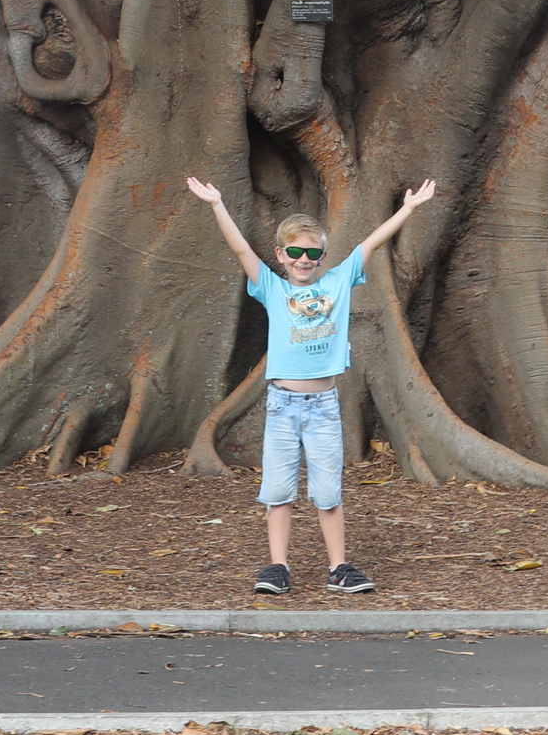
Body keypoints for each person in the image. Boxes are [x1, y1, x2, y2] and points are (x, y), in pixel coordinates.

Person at [183, 174, 439, 596]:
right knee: (278, 491)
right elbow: (240, 248)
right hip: (283, 406)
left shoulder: (337, 281)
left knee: (327, 491)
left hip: (324, 406)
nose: (305, 260)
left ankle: (338, 568)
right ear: (282, 255)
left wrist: (408, 210)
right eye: (297, 252)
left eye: (313, 253)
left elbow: (371, 244)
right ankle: (277, 566)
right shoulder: (271, 287)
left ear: (322, 256)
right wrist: (216, 205)